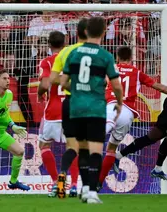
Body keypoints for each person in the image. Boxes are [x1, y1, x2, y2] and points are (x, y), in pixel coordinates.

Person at [60, 17, 123, 204]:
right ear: (103, 32)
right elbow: (117, 86)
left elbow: (63, 82)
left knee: (83, 149)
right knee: (96, 150)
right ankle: (92, 192)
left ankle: (85, 188)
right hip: (95, 107)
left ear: (86, 32)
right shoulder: (105, 56)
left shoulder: (74, 53)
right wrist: (119, 102)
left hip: (76, 107)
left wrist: (79, 89)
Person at [98, 46, 167, 189]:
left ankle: (84, 178)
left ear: (117, 57)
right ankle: (99, 182)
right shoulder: (137, 72)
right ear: (131, 59)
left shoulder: (110, 68)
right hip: (127, 113)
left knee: (92, 140)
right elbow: (159, 87)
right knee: (111, 150)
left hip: (111, 108)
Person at [48, 18, 88, 198]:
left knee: (71, 146)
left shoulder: (64, 52)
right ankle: (78, 186)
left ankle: (62, 176)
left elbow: (54, 79)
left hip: (68, 103)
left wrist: (70, 85)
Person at [37, 31, 79, 197]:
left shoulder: (47, 61)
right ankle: (75, 185)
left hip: (54, 111)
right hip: (73, 108)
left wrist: (40, 92)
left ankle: (57, 184)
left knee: (45, 145)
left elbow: (45, 83)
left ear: (49, 45)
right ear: (66, 42)